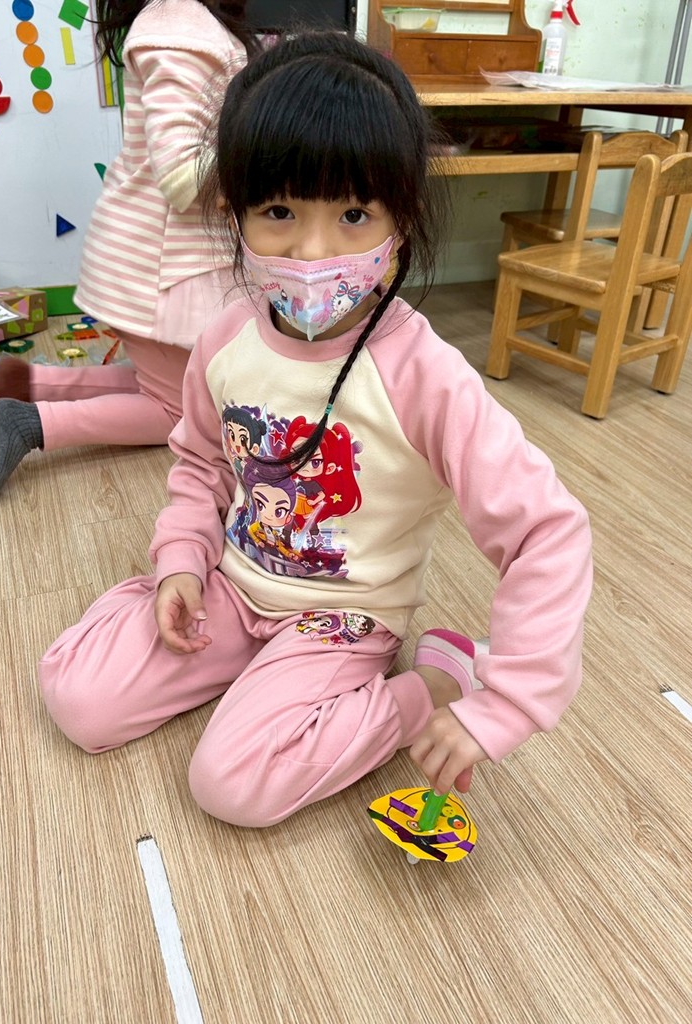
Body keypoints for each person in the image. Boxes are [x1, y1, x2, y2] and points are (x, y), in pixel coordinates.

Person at [38, 31, 593, 828]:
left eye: (353, 214)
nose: (311, 251)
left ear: (401, 218)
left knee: (231, 786)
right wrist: (180, 562)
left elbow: (546, 529)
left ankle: (435, 678)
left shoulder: (423, 374)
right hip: (233, 587)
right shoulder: (224, 339)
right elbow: (199, 463)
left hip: (343, 617)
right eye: (278, 211)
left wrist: (506, 700)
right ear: (232, 211)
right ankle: (247, 666)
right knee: (76, 697)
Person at [0, 0, 260, 505]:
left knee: (164, 385)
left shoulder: (184, 21)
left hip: (159, 259)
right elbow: (181, 177)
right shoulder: (179, 22)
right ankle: (31, 423)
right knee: (181, 412)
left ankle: (29, 382)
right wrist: (270, 147)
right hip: (161, 266)